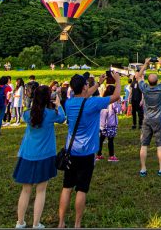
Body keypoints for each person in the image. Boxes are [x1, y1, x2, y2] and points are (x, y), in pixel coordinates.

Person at [58, 71, 120, 228]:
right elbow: (116, 96)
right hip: (86, 153)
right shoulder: (93, 103)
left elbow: (84, 95)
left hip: (70, 151)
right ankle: (77, 224)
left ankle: (61, 223)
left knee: (67, 188)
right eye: (87, 84)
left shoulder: (69, 103)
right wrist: (118, 80)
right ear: (84, 87)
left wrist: (98, 83)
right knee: (81, 189)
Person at [14, 86, 66, 229]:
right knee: (41, 190)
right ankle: (36, 223)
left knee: (26, 190)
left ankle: (20, 222)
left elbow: (28, 113)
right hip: (45, 155)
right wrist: (58, 105)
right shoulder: (50, 114)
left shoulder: (27, 114)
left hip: (27, 154)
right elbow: (62, 118)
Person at [136, 58, 161, 177]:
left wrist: (145, 63)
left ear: (148, 81)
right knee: (160, 144)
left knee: (144, 144)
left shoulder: (145, 88)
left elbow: (138, 76)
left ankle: (143, 169)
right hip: (158, 119)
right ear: (157, 81)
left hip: (147, 119)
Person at [96, 83, 122, 162]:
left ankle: (98, 155)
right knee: (110, 140)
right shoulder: (113, 102)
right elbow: (118, 110)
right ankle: (111, 156)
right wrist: (119, 102)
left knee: (101, 139)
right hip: (111, 124)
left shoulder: (103, 100)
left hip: (102, 124)